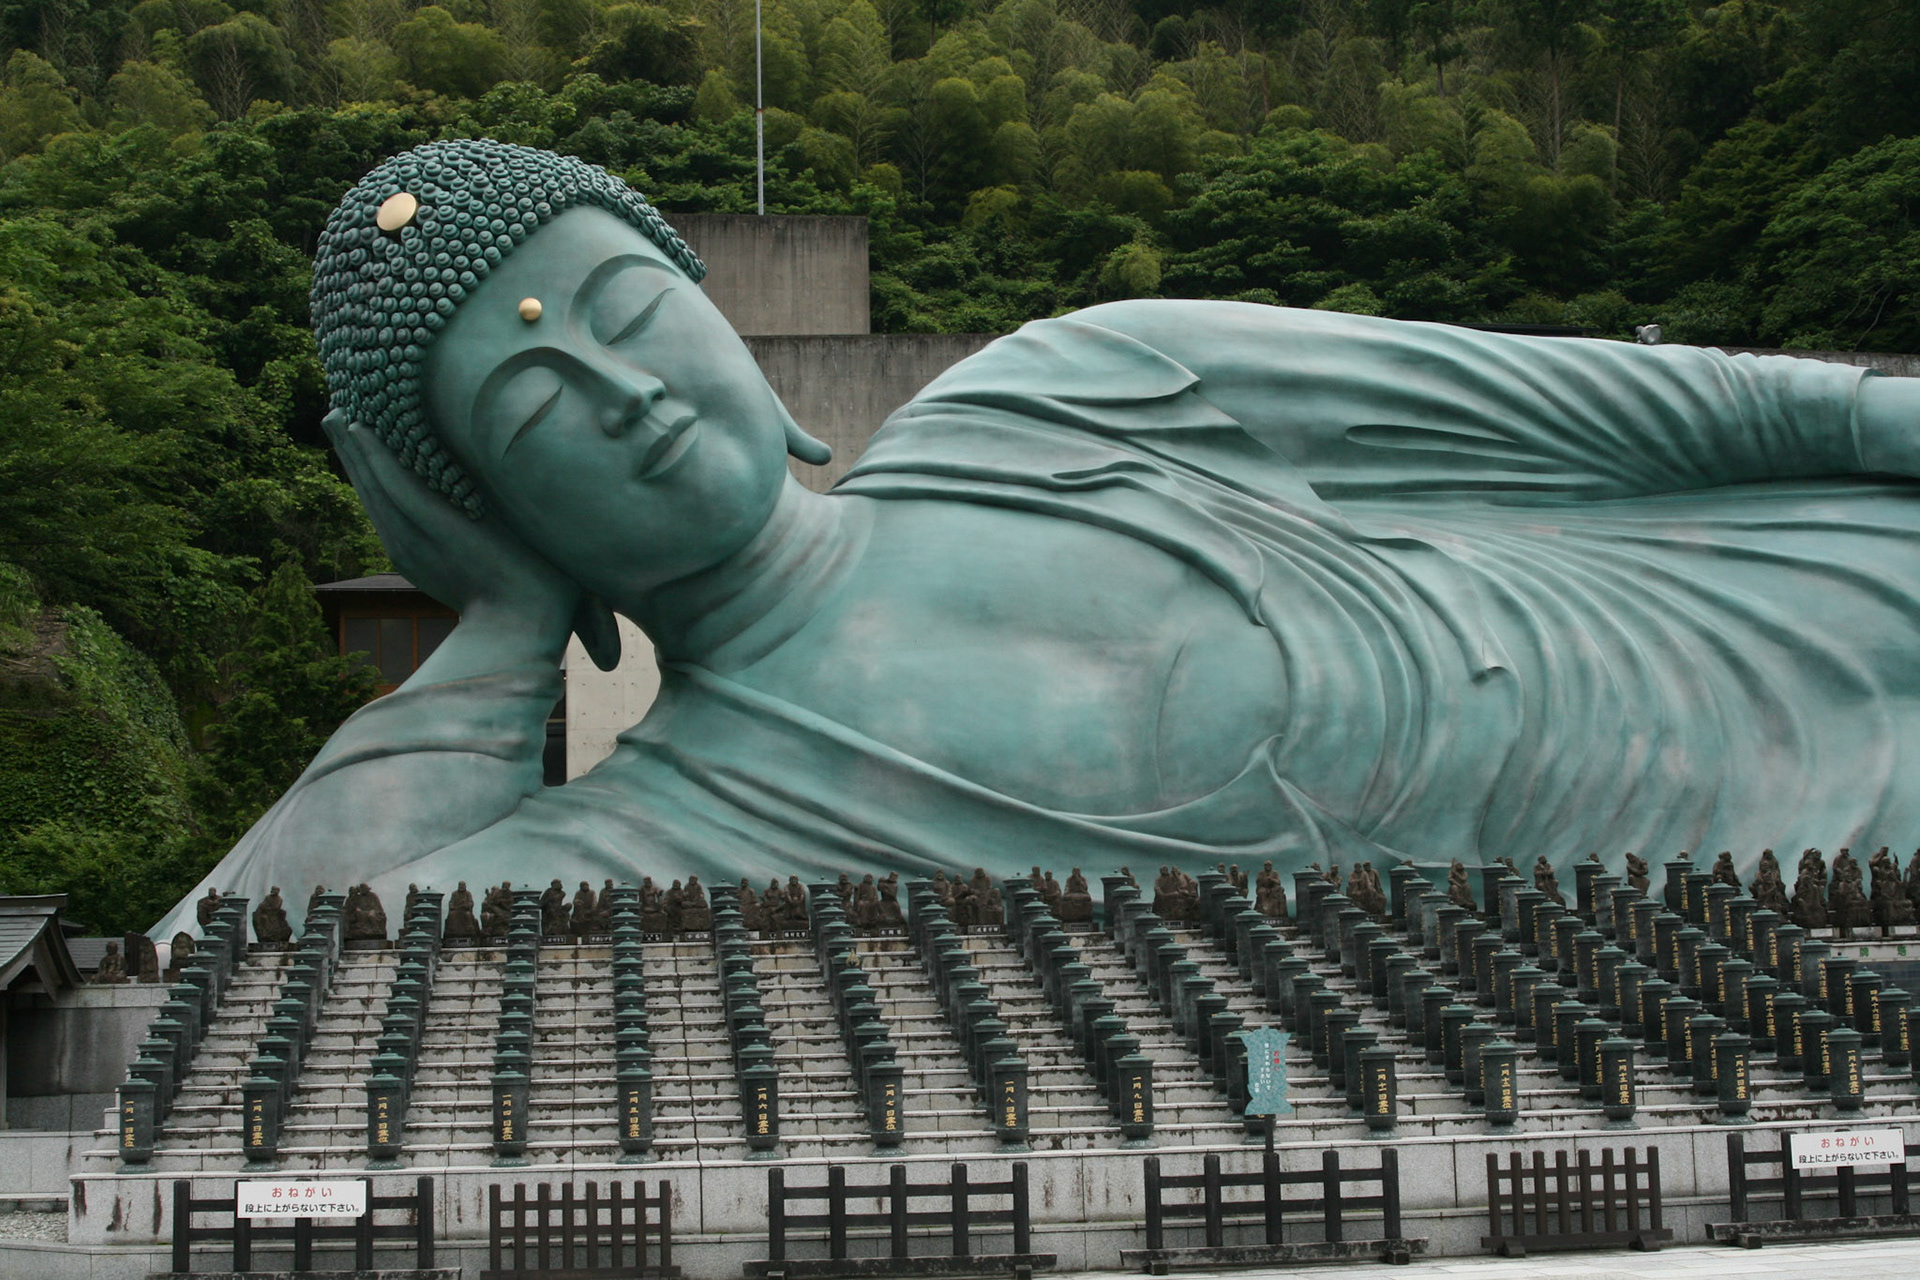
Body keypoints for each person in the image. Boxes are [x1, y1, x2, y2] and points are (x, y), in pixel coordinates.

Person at [153, 139, 1920, 936]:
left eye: (628, 306)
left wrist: (1876, 420)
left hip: (1807, 613)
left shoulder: (1073, 386)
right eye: (531, 420)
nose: (618, 391)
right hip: (1770, 937)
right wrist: (492, 640)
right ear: (487, 508)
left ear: (720, 316)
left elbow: (1615, 414)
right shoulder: (672, 832)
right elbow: (205, 1004)